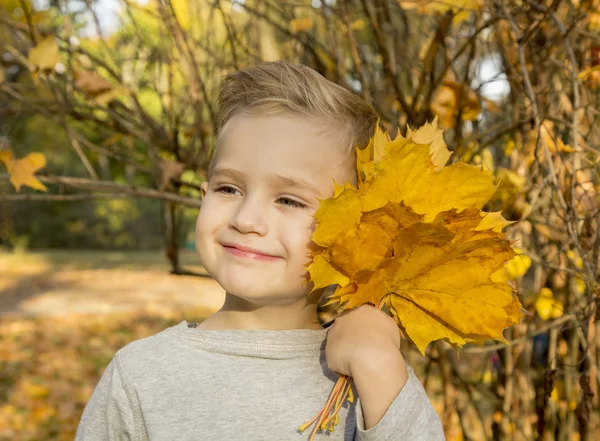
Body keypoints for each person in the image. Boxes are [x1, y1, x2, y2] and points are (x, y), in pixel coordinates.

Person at [75, 61, 445, 440]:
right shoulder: (141, 376)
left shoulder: (364, 376)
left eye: (288, 200)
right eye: (228, 189)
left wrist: (378, 366)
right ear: (203, 197)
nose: (246, 218)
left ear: (355, 233)